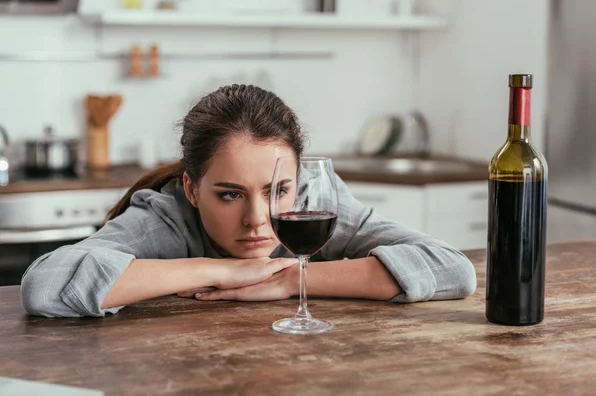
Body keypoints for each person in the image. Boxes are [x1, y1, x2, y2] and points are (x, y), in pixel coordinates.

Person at [21, 84, 477, 318]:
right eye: (230, 194)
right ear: (193, 189)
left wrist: (287, 281)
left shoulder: (318, 199)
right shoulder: (166, 217)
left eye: (278, 190)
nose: (258, 220)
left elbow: (452, 268)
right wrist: (225, 270)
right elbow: (46, 284)